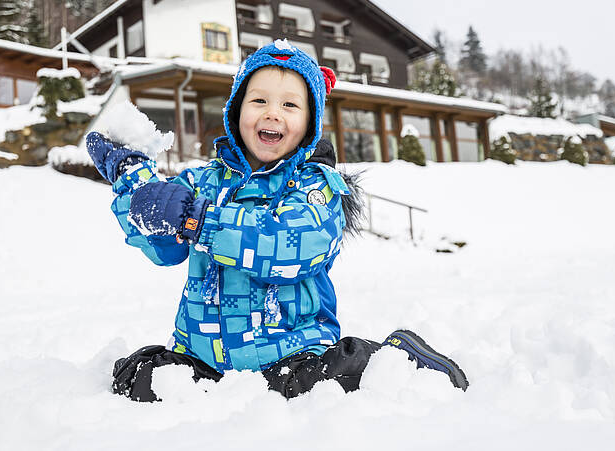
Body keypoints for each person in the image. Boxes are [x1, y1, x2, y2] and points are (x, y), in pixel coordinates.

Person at [87, 40, 468, 401]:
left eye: (290, 105)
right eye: (259, 101)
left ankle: (398, 359)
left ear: (310, 122)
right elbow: (160, 241)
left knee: (330, 379)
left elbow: (286, 247)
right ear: (236, 113)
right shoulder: (205, 181)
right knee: (140, 380)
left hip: (292, 355)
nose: (273, 112)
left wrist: (197, 220)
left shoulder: (317, 187)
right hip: (207, 360)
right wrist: (131, 176)